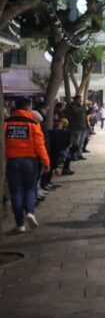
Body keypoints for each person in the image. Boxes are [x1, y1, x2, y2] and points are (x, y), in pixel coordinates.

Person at [5, 98, 50, 233]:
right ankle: (30, 212)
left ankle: (20, 224)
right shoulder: (33, 123)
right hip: (30, 161)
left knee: (16, 192)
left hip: (12, 161)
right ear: (29, 107)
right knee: (30, 188)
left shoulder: (6, 123)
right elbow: (39, 145)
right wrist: (46, 162)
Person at [63, 95, 88, 160]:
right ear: (75, 100)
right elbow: (78, 112)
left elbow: (85, 115)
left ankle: (79, 154)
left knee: (81, 143)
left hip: (83, 127)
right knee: (75, 143)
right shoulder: (72, 107)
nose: (80, 101)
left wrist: (87, 126)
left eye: (81, 100)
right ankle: (74, 155)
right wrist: (84, 108)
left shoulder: (81, 107)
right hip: (75, 128)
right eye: (79, 100)